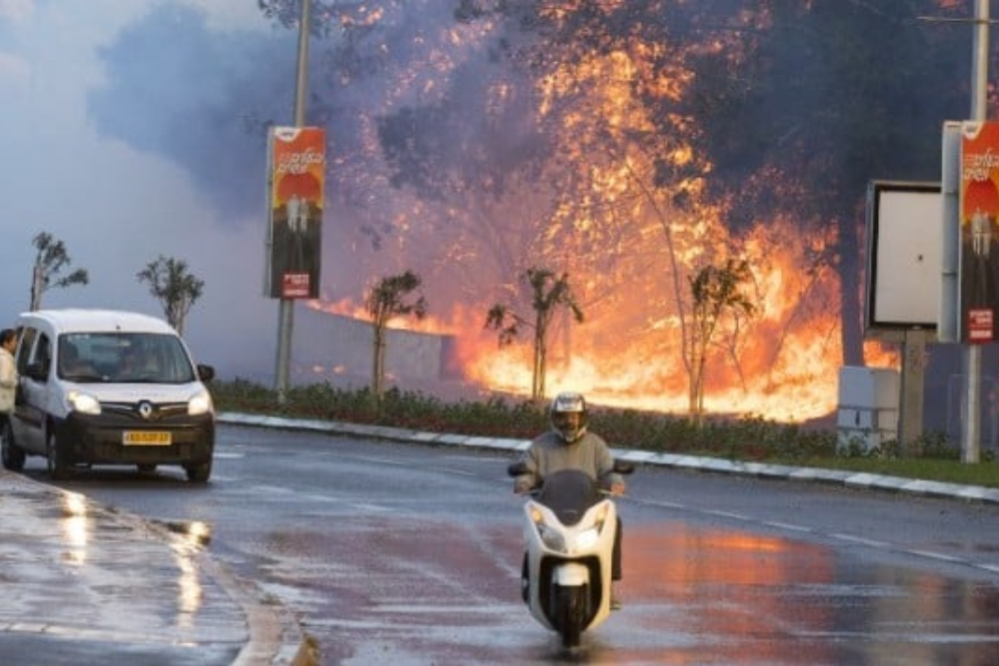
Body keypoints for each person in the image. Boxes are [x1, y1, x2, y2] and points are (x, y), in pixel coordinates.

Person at [512, 391, 627, 608]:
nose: (569, 422)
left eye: (574, 416)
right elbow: (527, 467)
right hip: (550, 511)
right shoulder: (540, 445)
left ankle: (609, 586)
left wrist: (615, 482)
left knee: (615, 523)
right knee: (531, 527)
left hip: (586, 510)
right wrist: (523, 482)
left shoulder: (596, 444)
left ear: (582, 417)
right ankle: (532, 581)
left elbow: (609, 469)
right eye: (563, 417)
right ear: (554, 418)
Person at [0, 328, 18, 431]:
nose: (16, 344)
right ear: (6, 343)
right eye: (14, 341)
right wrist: (15, 381)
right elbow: (4, 379)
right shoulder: (5, 359)